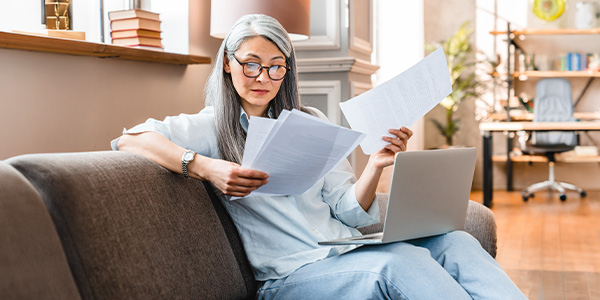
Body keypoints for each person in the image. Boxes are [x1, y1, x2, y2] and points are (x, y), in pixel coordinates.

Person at [112, 14, 526, 300]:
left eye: (277, 67)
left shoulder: (307, 119)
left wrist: (377, 166)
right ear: (227, 64)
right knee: (398, 264)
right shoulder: (210, 127)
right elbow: (129, 139)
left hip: (343, 252)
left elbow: (348, 210)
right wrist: (204, 166)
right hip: (289, 278)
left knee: (454, 240)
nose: (263, 78)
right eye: (251, 64)